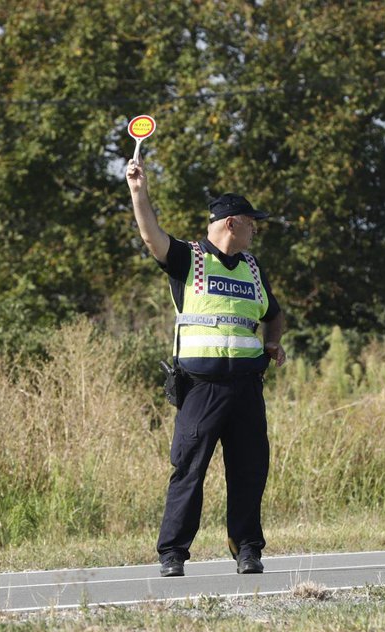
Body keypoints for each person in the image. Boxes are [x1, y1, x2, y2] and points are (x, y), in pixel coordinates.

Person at [125, 157, 287, 577]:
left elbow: (274, 313)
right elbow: (150, 236)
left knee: (250, 471)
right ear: (232, 223)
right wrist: (139, 191)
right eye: (252, 222)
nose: (256, 229)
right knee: (189, 470)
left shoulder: (253, 268)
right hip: (201, 388)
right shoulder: (189, 259)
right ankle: (173, 553)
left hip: (247, 386)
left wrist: (272, 342)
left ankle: (248, 549)